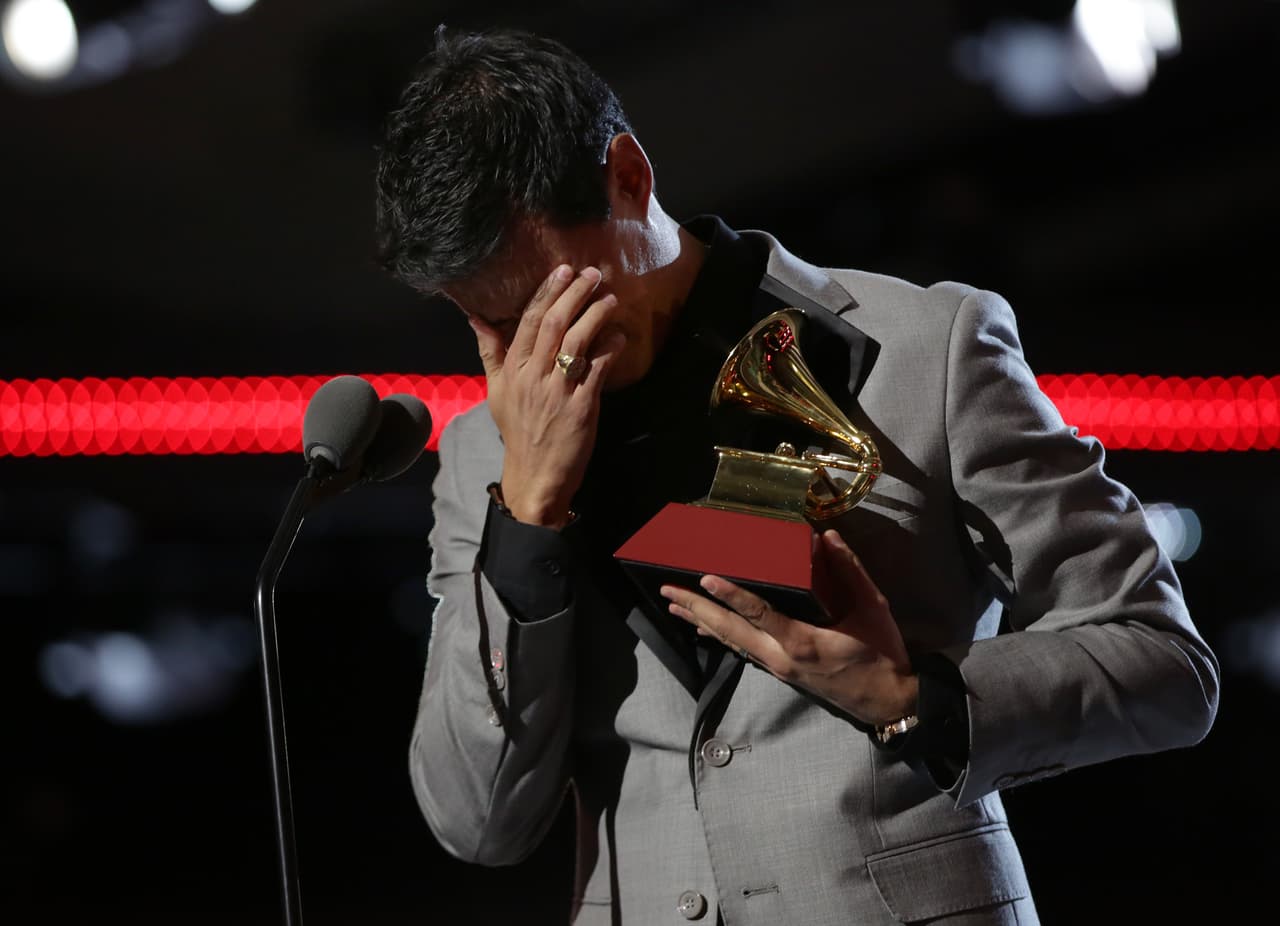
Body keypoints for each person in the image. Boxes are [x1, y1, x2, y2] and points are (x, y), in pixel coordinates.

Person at [375, 27, 1219, 926]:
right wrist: (526, 520)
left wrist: (913, 698)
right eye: (492, 325)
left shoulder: (929, 347)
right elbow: (477, 821)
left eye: (555, 298)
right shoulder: (482, 458)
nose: (538, 352)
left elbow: (1164, 661)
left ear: (628, 177)